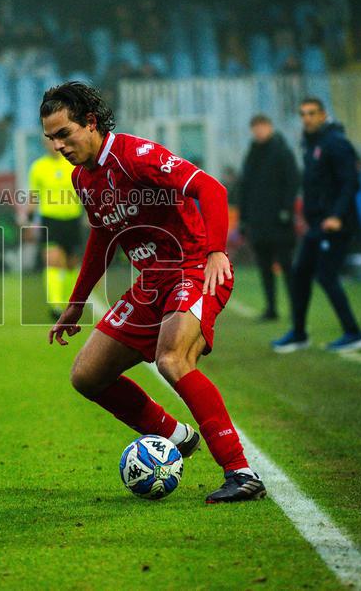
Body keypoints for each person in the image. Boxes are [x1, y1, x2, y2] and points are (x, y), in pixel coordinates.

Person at [44, 82, 266, 504]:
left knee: (172, 359)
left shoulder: (136, 156)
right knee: (87, 376)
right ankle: (175, 436)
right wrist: (75, 305)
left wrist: (218, 250)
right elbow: (101, 239)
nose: (58, 145)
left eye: (64, 134)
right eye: (51, 138)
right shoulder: (82, 178)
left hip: (193, 266)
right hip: (151, 283)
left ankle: (241, 471)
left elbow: (211, 189)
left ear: (91, 124)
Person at [272, 98, 361, 353]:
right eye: (303, 113)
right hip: (318, 224)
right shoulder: (311, 143)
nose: (307, 118)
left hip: (335, 223)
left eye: (312, 113)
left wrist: (336, 215)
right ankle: (299, 333)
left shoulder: (336, 143)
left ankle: (354, 332)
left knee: (326, 276)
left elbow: (350, 183)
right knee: (300, 274)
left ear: (323, 115)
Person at [237, 115, 299, 321]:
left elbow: (293, 181)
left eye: (261, 127)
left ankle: (296, 307)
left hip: (279, 223)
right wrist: (244, 219)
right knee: (264, 267)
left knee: (287, 266)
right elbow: (244, 188)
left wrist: (286, 210)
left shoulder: (282, 152)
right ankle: (271, 308)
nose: (258, 131)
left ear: (270, 127)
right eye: (255, 128)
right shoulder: (252, 154)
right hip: (258, 222)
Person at [19, 137, 86, 319]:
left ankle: (68, 302)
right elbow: (33, 196)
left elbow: (85, 190)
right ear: (45, 145)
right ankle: (55, 306)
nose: (53, 145)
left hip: (73, 219)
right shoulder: (38, 167)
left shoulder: (73, 164)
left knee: (71, 264)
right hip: (51, 221)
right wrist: (28, 219)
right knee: (53, 260)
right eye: (49, 141)